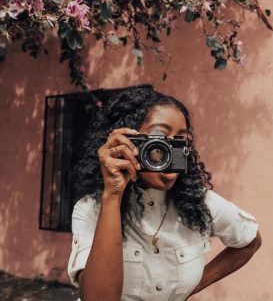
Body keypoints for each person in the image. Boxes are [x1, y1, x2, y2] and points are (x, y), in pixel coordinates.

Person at [67, 86, 262, 301]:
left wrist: (195, 286)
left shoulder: (199, 203)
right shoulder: (92, 208)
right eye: (159, 141)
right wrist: (113, 196)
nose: (170, 154)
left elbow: (250, 241)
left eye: (180, 141)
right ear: (128, 142)